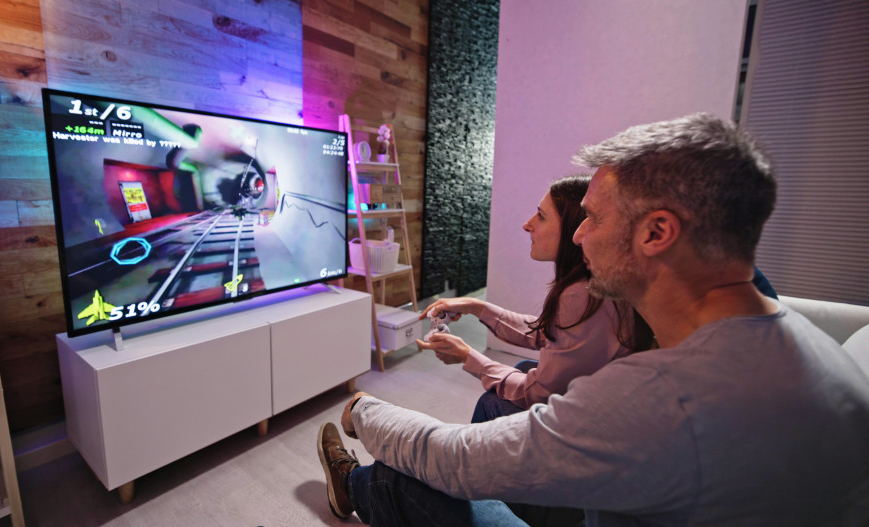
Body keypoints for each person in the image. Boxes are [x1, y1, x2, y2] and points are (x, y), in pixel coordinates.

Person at [317, 113, 869, 526]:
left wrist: (366, 410)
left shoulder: (663, 396)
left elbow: (456, 460)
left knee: (408, 479)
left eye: (594, 219)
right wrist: (482, 310)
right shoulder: (804, 343)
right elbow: (549, 340)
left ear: (657, 232)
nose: (580, 236)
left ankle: (354, 483)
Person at [415, 175, 644, 425]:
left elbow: (536, 394)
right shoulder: (586, 285)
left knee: (491, 403)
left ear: (573, 227)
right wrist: (476, 306)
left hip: (595, 421)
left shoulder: (582, 295)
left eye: (541, 216)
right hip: (603, 401)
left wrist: (466, 356)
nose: (527, 225)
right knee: (524, 366)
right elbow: (545, 334)